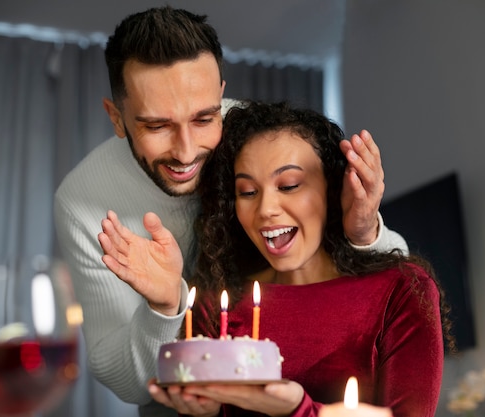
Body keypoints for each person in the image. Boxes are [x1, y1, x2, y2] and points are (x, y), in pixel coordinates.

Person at [54, 6, 408, 416]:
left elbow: (396, 277)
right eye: (157, 126)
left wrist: (361, 233)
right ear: (117, 118)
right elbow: (129, 384)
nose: (187, 151)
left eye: (205, 118)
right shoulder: (82, 200)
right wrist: (164, 307)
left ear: (221, 94)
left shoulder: (255, 136)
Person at [99, 101, 454, 417]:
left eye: (288, 186)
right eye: (248, 192)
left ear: (332, 190)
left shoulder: (403, 291)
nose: (265, 209)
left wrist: (297, 410)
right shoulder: (218, 306)